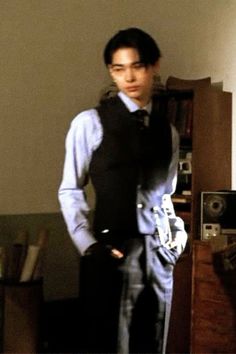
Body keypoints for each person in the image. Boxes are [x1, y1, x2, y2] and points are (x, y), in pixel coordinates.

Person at [58, 27, 187, 354]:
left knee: (153, 342)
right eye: (119, 68)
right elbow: (70, 190)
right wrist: (89, 246)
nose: (128, 77)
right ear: (111, 72)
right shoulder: (89, 123)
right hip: (110, 256)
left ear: (154, 66)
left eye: (137, 66)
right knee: (108, 344)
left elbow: (165, 196)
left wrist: (176, 239)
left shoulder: (167, 132)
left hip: (158, 258)